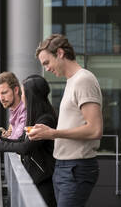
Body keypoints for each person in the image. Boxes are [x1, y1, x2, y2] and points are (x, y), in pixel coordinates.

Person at [28, 34, 103, 207]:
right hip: (64, 167)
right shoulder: (72, 81)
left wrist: (53, 133)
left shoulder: (83, 79)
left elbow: (95, 130)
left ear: (60, 53)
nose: (46, 69)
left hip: (76, 167)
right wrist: (46, 133)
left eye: (47, 62)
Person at [0, 75, 57, 207]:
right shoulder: (38, 118)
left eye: (24, 93)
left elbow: (25, 147)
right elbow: (21, 140)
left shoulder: (45, 119)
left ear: (32, 95)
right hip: (38, 178)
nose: (22, 97)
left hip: (44, 180)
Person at [0, 72, 26, 139]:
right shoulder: (13, 110)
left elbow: (17, 141)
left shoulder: (24, 110)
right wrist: (7, 136)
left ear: (16, 90)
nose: (1, 98)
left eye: (4, 93)